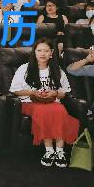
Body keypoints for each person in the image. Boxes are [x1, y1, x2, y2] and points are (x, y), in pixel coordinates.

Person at [10, 39, 79, 167]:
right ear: (34, 52)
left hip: (52, 102)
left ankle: (60, 152)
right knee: (43, 111)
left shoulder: (57, 70)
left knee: (60, 110)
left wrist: (54, 93)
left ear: (51, 53)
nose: (43, 54)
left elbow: (64, 93)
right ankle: (49, 151)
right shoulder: (24, 68)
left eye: (46, 51)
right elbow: (15, 91)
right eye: (39, 50)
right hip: (30, 102)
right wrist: (32, 93)